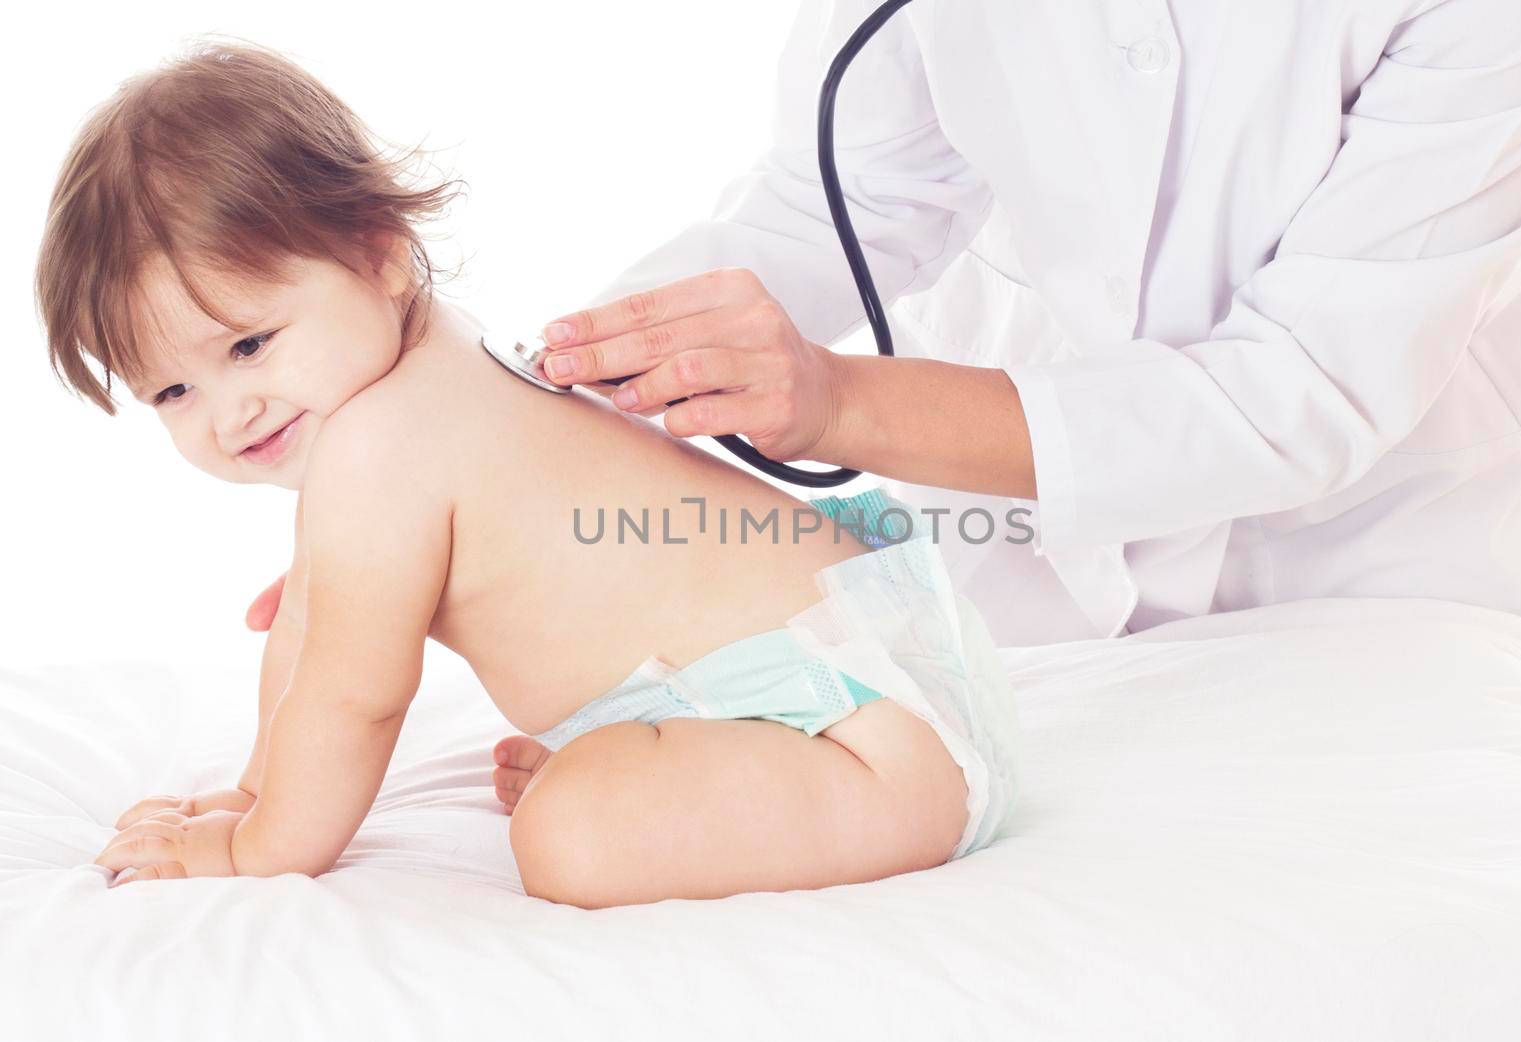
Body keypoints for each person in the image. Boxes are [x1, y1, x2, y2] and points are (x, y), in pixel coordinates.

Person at [36, 41, 1020, 906]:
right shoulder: (423, 379)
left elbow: (351, 698)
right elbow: (308, 636)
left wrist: (259, 847)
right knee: (582, 790)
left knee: (569, 835)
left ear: (379, 256)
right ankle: (674, 758)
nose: (227, 410)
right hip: (847, 671)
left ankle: (742, 784)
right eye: (171, 392)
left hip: (870, 739)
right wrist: (254, 787)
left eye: (249, 344)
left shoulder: (386, 441)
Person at [300, 0, 1521, 650]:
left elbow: (1298, 389)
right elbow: (840, 204)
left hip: (1375, 582)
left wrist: (838, 402)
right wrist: (495, 437)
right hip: (1008, 578)